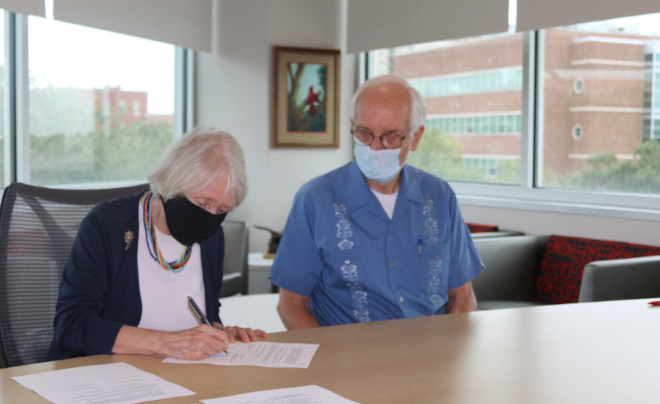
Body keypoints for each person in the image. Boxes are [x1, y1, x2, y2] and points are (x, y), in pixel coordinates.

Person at [269, 75, 483, 329]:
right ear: (352, 126)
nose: (375, 147)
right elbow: (291, 305)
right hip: (350, 357)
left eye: (391, 136)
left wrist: (446, 352)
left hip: (429, 354)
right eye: (364, 132)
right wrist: (328, 363)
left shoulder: (439, 197)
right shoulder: (315, 200)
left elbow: (462, 297)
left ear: (416, 137)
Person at [46, 127, 267, 361]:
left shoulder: (213, 237)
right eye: (203, 204)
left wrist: (218, 333)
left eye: (222, 210)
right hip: (100, 375)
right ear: (170, 185)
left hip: (175, 376)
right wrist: (166, 343)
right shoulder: (107, 225)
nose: (211, 217)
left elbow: (206, 314)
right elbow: (71, 326)